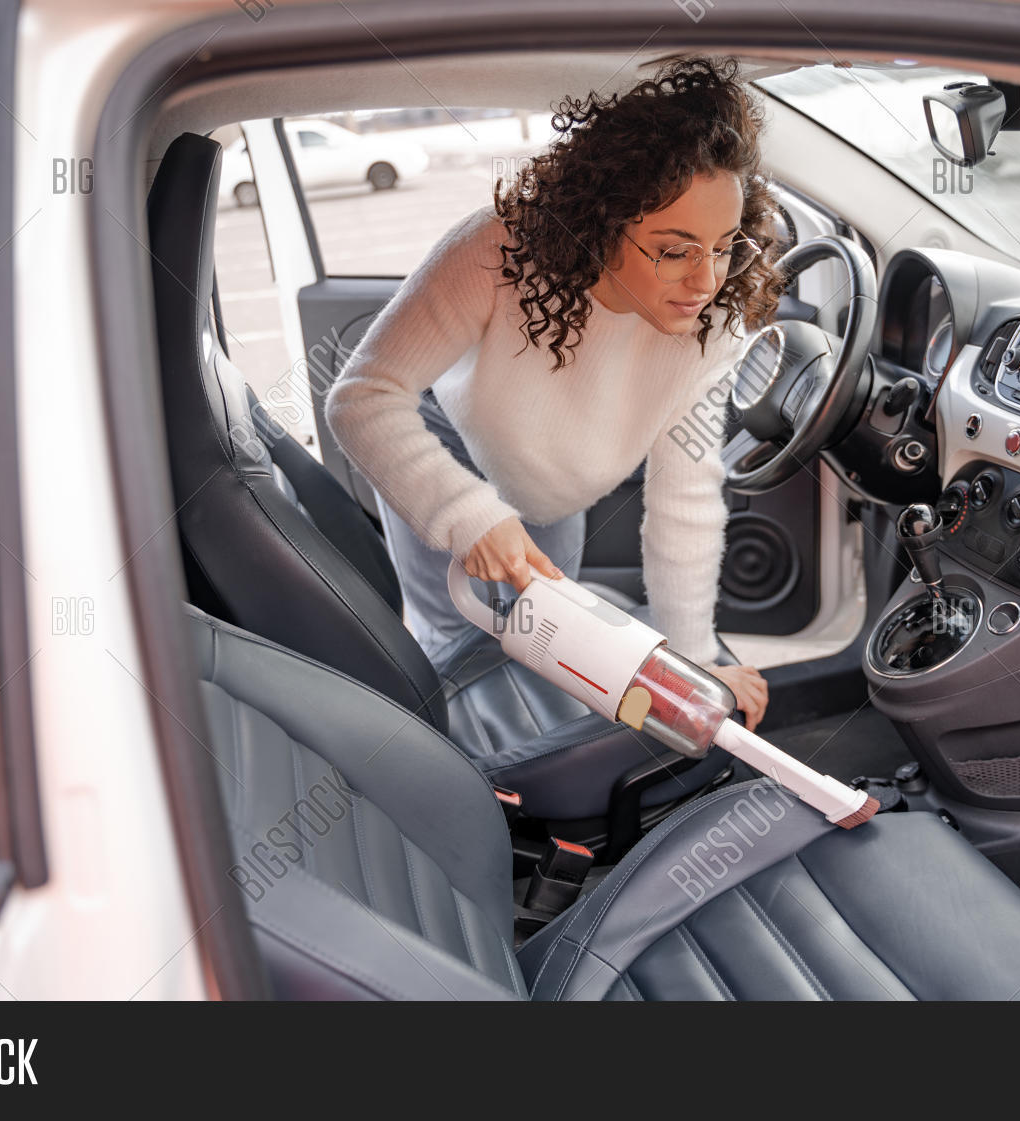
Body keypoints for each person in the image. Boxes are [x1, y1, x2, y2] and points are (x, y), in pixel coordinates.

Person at [325, 55, 780, 730]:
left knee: (538, 659)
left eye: (723, 244)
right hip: (451, 450)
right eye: (675, 248)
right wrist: (467, 514)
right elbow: (360, 396)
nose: (706, 279)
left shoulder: (710, 325)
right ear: (601, 222)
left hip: (553, 491)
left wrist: (692, 663)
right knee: (460, 672)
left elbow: (685, 498)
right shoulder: (494, 252)